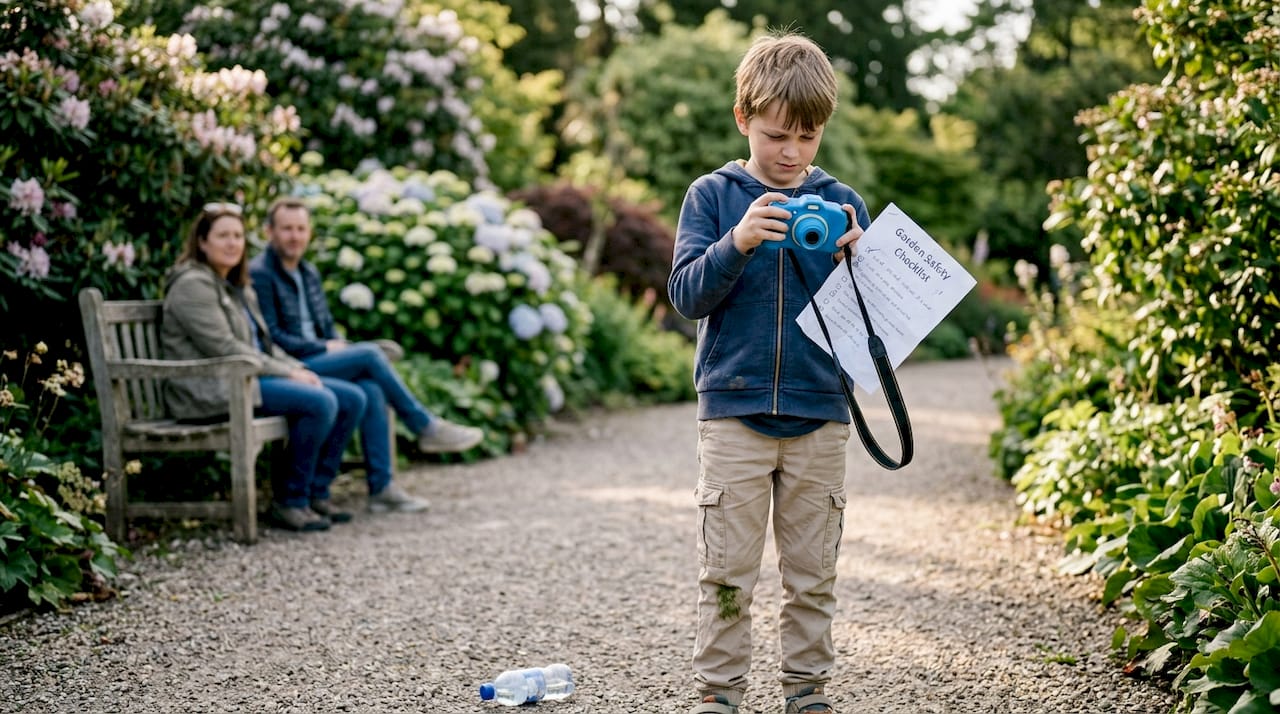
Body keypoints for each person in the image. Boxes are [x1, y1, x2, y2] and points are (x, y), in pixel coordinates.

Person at [666, 33, 871, 714]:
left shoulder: (842, 202)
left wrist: (860, 265)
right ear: (743, 120)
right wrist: (738, 242)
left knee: (814, 574)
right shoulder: (713, 196)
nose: (791, 153)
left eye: (808, 138)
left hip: (820, 416)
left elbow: (874, 332)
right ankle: (718, 694)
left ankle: (807, 694)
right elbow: (686, 295)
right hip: (733, 415)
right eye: (778, 135)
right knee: (727, 572)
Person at [249, 197, 484, 514]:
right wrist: (323, 348)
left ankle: (379, 489)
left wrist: (336, 344)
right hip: (293, 363)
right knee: (372, 355)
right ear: (270, 232)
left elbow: (327, 326)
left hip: (319, 358)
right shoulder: (261, 273)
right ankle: (424, 426)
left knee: (370, 390)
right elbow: (272, 336)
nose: (295, 236)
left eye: (301, 228)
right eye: (287, 229)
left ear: (309, 232)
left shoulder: (309, 272)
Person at [160, 202, 366, 532]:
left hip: (246, 381)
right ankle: (290, 501)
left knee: (352, 398)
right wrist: (286, 372)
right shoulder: (193, 285)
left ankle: (316, 493)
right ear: (202, 241)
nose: (232, 243)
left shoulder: (236, 285)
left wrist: (297, 366)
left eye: (238, 236)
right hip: (211, 389)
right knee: (321, 402)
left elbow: (265, 345)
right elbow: (226, 348)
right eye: (223, 235)